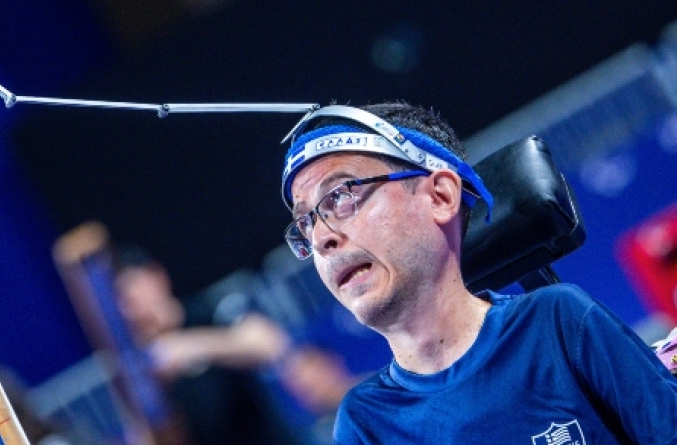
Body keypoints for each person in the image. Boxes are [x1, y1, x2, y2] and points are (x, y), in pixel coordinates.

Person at [279, 101, 677, 444]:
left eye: (340, 196)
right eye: (305, 223)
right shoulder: (364, 422)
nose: (321, 238)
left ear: (440, 196)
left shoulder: (559, 322)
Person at [112, 247, 307, 445]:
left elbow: (271, 342)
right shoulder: (141, 368)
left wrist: (190, 346)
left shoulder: (206, 311)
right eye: (119, 300)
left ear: (156, 275)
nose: (129, 307)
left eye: (131, 290)